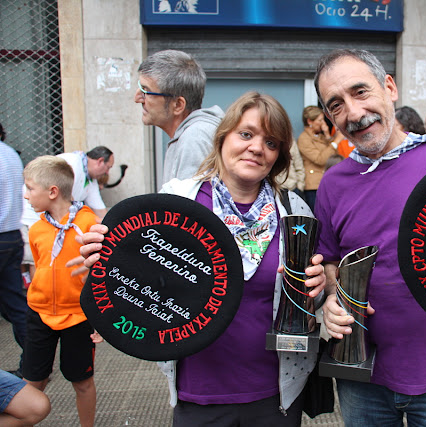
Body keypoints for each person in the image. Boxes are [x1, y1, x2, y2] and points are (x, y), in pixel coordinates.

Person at [79, 92, 327, 426]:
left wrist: (319, 286)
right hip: (199, 391)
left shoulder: (294, 211)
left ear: (279, 155)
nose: (257, 147)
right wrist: (101, 259)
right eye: (246, 134)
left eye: (271, 142)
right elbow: (136, 279)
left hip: (276, 392)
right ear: (223, 138)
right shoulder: (177, 201)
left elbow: (309, 301)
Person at [314, 49, 426, 426]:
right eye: (337, 105)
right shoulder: (333, 184)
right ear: (329, 118)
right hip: (361, 376)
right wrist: (329, 298)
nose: (354, 113)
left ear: (389, 87)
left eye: (361, 92)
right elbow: (327, 258)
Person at [22, 156, 102, 427]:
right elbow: (39, 267)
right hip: (39, 315)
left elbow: (103, 274)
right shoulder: (36, 229)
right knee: (32, 380)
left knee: (81, 380)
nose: (25, 195)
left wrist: (101, 319)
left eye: (30, 189)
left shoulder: (89, 224)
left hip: (78, 317)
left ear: (52, 192)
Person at [21, 146, 114, 288]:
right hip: (35, 217)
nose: (107, 173)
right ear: (100, 161)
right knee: (40, 264)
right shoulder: (70, 163)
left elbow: (100, 211)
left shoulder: (90, 184)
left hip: (76, 303)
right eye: (108, 167)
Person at [136, 49, 225, 185]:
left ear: (178, 105)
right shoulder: (189, 135)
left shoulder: (195, 138)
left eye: (146, 91)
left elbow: (189, 206)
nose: (137, 98)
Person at [0, 124, 29, 379]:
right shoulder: (10, 153)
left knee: (14, 304)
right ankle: (32, 364)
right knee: (15, 304)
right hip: (12, 236)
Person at [297, 105, 342, 211]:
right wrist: (336, 140)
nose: (323, 124)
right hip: (314, 187)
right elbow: (320, 159)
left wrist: (327, 135)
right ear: (310, 121)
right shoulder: (304, 139)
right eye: (320, 120)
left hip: (327, 182)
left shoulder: (320, 136)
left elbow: (334, 156)